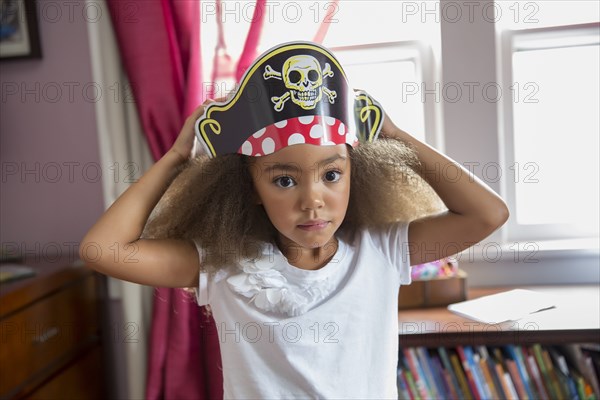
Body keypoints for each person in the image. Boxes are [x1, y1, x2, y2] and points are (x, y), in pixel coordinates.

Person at [80, 41, 509, 399]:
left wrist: (395, 136)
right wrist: (176, 159)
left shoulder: (381, 249)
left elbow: (489, 214)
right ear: (249, 189)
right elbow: (103, 250)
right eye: (284, 180)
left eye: (332, 175)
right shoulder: (222, 265)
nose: (312, 201)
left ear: (357, 175)